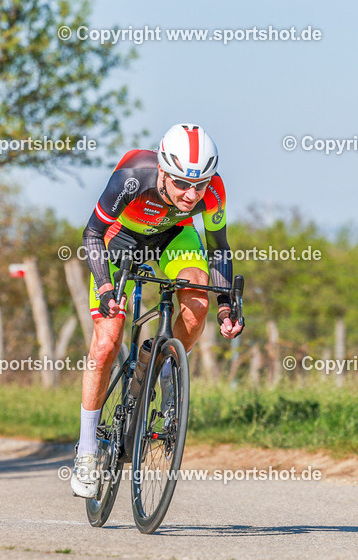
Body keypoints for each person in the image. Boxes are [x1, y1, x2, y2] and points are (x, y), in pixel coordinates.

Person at [71, 123, 244, 498]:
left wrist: (226, 306)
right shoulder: (133, 177)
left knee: (197, 301)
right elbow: (92, 235)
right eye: (182, 183)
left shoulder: (212, 192)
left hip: (174, 236)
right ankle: (86, 451)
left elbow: (218, 249)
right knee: (107, 343)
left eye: (199, 185)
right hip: (121, 236)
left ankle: (164, 362)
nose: (192, 193)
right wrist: (104, 287)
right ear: (163, 172)